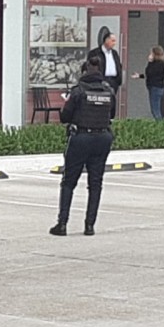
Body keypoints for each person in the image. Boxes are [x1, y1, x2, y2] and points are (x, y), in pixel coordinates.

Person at [49, 54, 114, 237]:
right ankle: (89, 226)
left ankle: (62, 224)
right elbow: (112, 114)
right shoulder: (108, 91)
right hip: (102, 138)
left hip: (81, 138)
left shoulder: (78, 91)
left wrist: (66, 103)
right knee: (95, 183)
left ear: (84, 71)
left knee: (69, 182)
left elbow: (65, 117)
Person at [87, 31, 123, 119]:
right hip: (101, 81)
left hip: (113, 81)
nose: (114, 43)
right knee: (101, 102)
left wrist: (118, 79)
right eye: (112, 41)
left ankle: (110, 119)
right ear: (106, 40)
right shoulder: (95, 53)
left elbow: (118, 66)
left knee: (112, 103)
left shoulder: (114, 53)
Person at [130, 45, 164, 120]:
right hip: (156, 87)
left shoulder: (158, 64)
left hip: (155, 88)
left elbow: (150, 72)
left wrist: (150, 62)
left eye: (151, 53)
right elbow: (150, 75)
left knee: (155, 110)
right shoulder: (159, 63)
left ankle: (160, 123)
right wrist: (139, 76)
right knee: (155, 109)